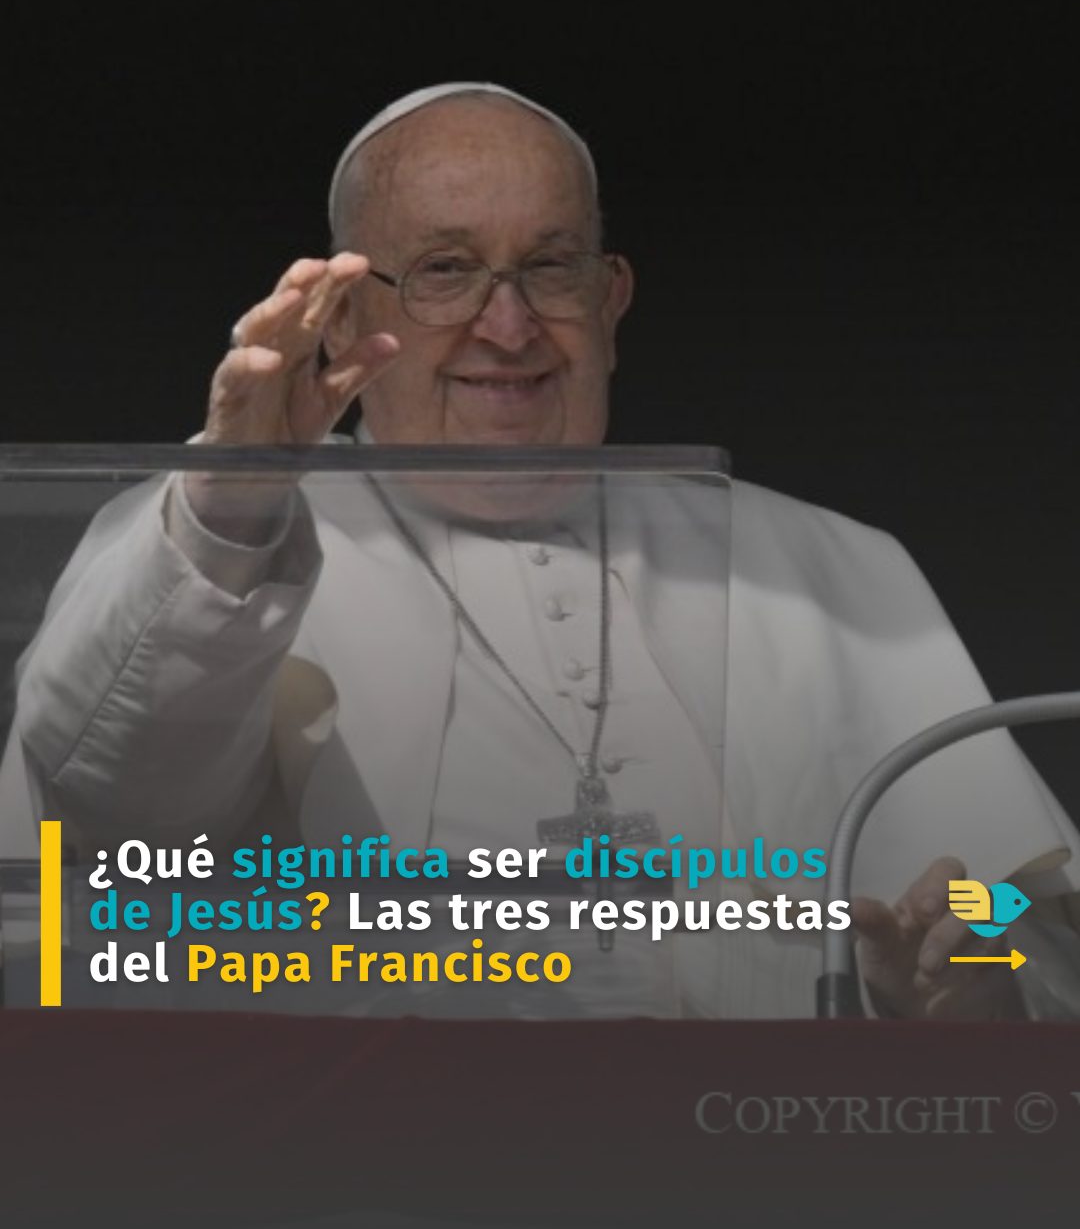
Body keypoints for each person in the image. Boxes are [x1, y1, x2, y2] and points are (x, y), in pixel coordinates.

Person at [2, 83, 1077, 1020]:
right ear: (341, 317)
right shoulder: (215, 533)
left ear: (610, 301)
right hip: (367, 1160)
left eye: (551, 269)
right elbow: (109, 810)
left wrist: (970, 987)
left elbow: (1012, 911)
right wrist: (233, 504)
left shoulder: (821, 566)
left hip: (761, 1149)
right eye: (445, 270)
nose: (508, 327)